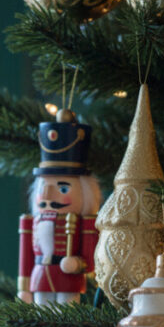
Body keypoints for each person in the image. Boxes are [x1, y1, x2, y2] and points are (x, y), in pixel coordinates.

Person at [18, 108, 100, 305]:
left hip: (69, 278)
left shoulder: (86, 222)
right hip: (39, 277)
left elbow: (91, 258)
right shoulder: (32, 221)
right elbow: (26, 257)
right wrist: (23, 287)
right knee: (42, 314)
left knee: (67, 314)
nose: (48, 195)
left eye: (63, 189)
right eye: (44, 187)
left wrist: (78, 264)